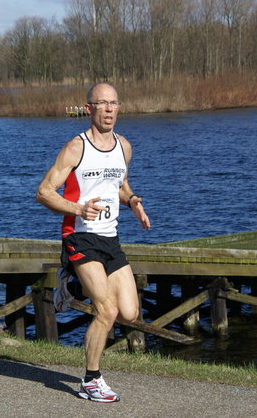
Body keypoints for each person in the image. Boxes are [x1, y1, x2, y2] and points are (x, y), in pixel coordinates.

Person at [36, 83, 151, 403]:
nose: (110, 109)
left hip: (110, 237)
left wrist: (135, 202)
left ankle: (68, 288)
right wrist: (78, 208)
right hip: (79, 235)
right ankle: (91, 380)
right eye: (103, 104)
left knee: (129, 313)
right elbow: (44, 191)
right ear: (90, 109)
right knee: (107, 309)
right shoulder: (76, 147)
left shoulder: (124, 147)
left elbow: (121, 186)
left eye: (114, 103)